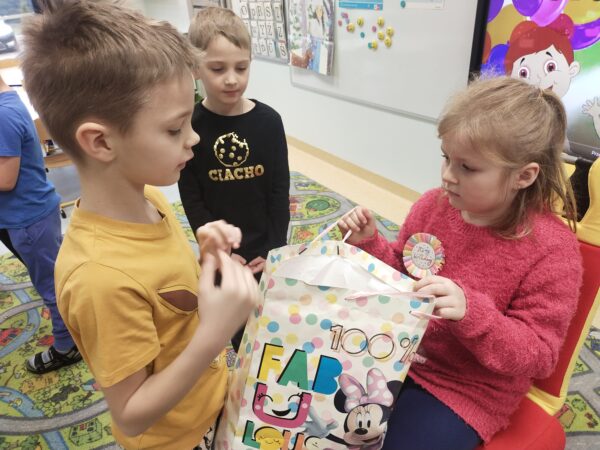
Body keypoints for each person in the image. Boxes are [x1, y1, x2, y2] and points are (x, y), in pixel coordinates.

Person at [20, 1, 259, 449]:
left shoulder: (148, 199)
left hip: (210, 404)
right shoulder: (97, 278)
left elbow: (166, 299)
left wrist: (206, 258)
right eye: (174, 129)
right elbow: (130, 414)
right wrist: (214, 334)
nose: (194, 137)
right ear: (100, 141)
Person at [338, 76, 583, 449]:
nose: (447, 176)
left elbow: (539, 356)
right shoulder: (432, 205)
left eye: (468, 167)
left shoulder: (553, 250)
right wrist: (370, 243)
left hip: (468, 390)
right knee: (325, 419)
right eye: (446, 157)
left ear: (524, 176)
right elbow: (403, 279)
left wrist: (471, 313)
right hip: (396, 351)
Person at [178, 7, 290, 350]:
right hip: (224, 255)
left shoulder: (269, 122)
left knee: (275, 326)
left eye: (241, 68)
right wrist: (219, 251)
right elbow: (192, 198)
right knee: (240, 332)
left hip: (265, 248)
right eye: (218, 69)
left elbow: (279, 191)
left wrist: (274, 249)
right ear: (196, 68)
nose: (231, 79)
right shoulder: (190, 126)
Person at [0, 74, 81, 374]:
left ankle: (67, 346)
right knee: (51, 276)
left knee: (51, 284)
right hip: (23, 214)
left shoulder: (3, 114)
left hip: (28, 217)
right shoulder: (8, 102)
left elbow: (5, 180)